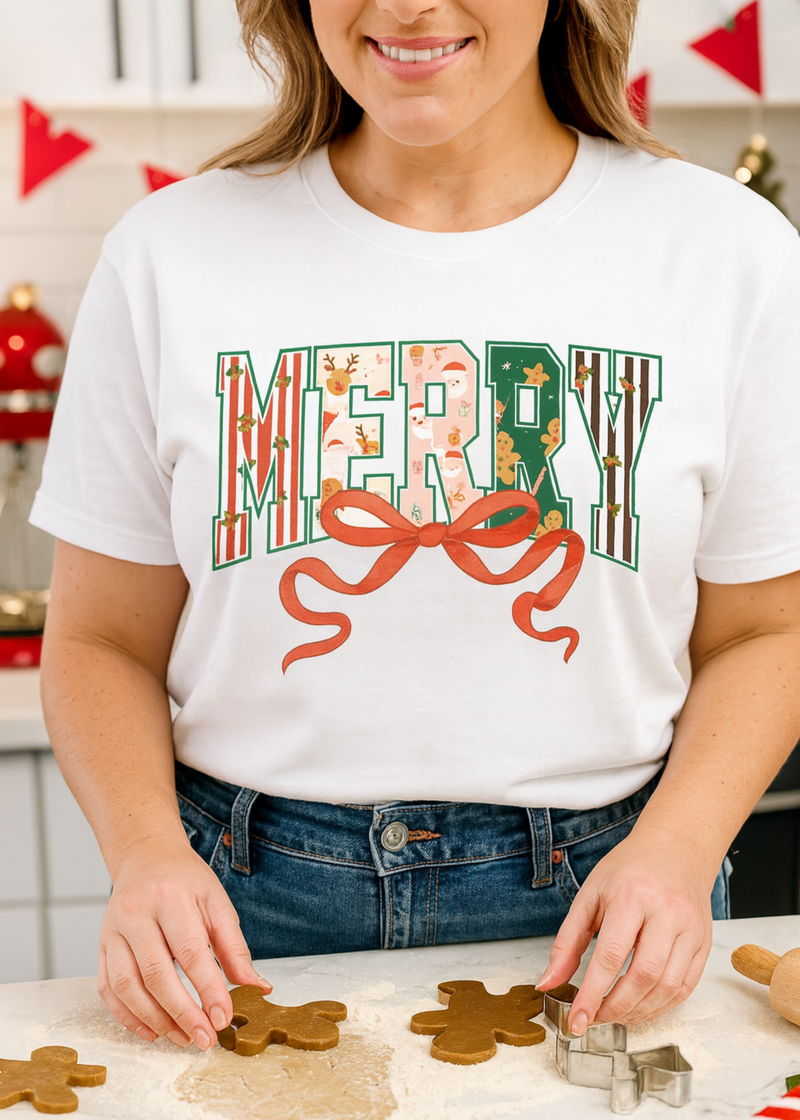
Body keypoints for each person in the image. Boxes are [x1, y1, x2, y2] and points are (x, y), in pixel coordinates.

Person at [32, 0, 800, 1057]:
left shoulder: (728, 255)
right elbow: (99, 638)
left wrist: (675, 849)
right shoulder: (169, 253)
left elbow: (767, 630)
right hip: (239, 904)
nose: (406, 6)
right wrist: (145, 854)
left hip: (605, 899)